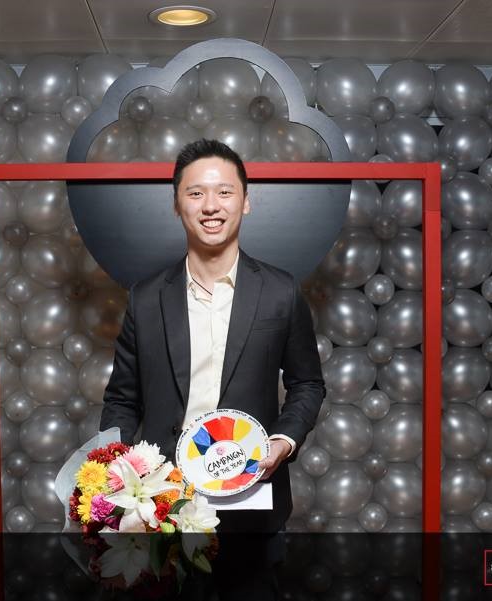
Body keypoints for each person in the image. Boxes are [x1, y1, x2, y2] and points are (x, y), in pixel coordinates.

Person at [99, 138, 325, 599]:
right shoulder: (146, 298)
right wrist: (114, 478)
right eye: (196, 192)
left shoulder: (280, 291)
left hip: (252, 503)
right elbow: (122, 398)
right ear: (176, 204)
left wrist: (282, 442)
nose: (211, 206)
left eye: (224, 192)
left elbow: (307, 383)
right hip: (164, 507)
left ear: (246, 201)